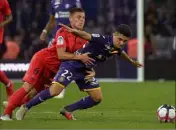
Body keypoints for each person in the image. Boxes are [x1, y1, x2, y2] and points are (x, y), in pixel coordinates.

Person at [15, 23, 143, 120]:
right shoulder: (103, 39)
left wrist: (132, 62)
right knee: (55, 91)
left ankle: (67, 110)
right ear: (114, 34)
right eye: (119, 39)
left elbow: (121, 53)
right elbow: (87, 35)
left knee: (97, 98)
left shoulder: (116, 48)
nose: (121, 43)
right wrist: (73, 31)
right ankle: (25, 107)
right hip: (72, 64)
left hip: (85, 70)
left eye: (124, 41)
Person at [0, 7, 95, 121]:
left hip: (54, 69)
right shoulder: (62, 32)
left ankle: (13, 104)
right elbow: (61, 54)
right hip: (42, 60)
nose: (81, 20)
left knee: (34, 94)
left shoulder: (84, 39)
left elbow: (86, 59)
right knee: (27, 87)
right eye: (78, 17)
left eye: (83, 18)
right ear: (70, 19)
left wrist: (91, 70)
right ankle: (6, 113)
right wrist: (79, 57)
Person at [40, 0, 82, 98]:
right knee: (51, 60)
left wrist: (78, 33)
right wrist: (45, 31)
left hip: (70, 36)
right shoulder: (54, 2)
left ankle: (61, 87)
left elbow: (80, 17)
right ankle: (49, 84)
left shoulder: (75, 1)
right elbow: (52, 20)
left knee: (65, 61)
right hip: (57, 37)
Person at [0, 0, 13, 99]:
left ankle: (8, 84)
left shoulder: (3, 1)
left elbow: (10, 18)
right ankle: (8, 84)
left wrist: (0, 25)